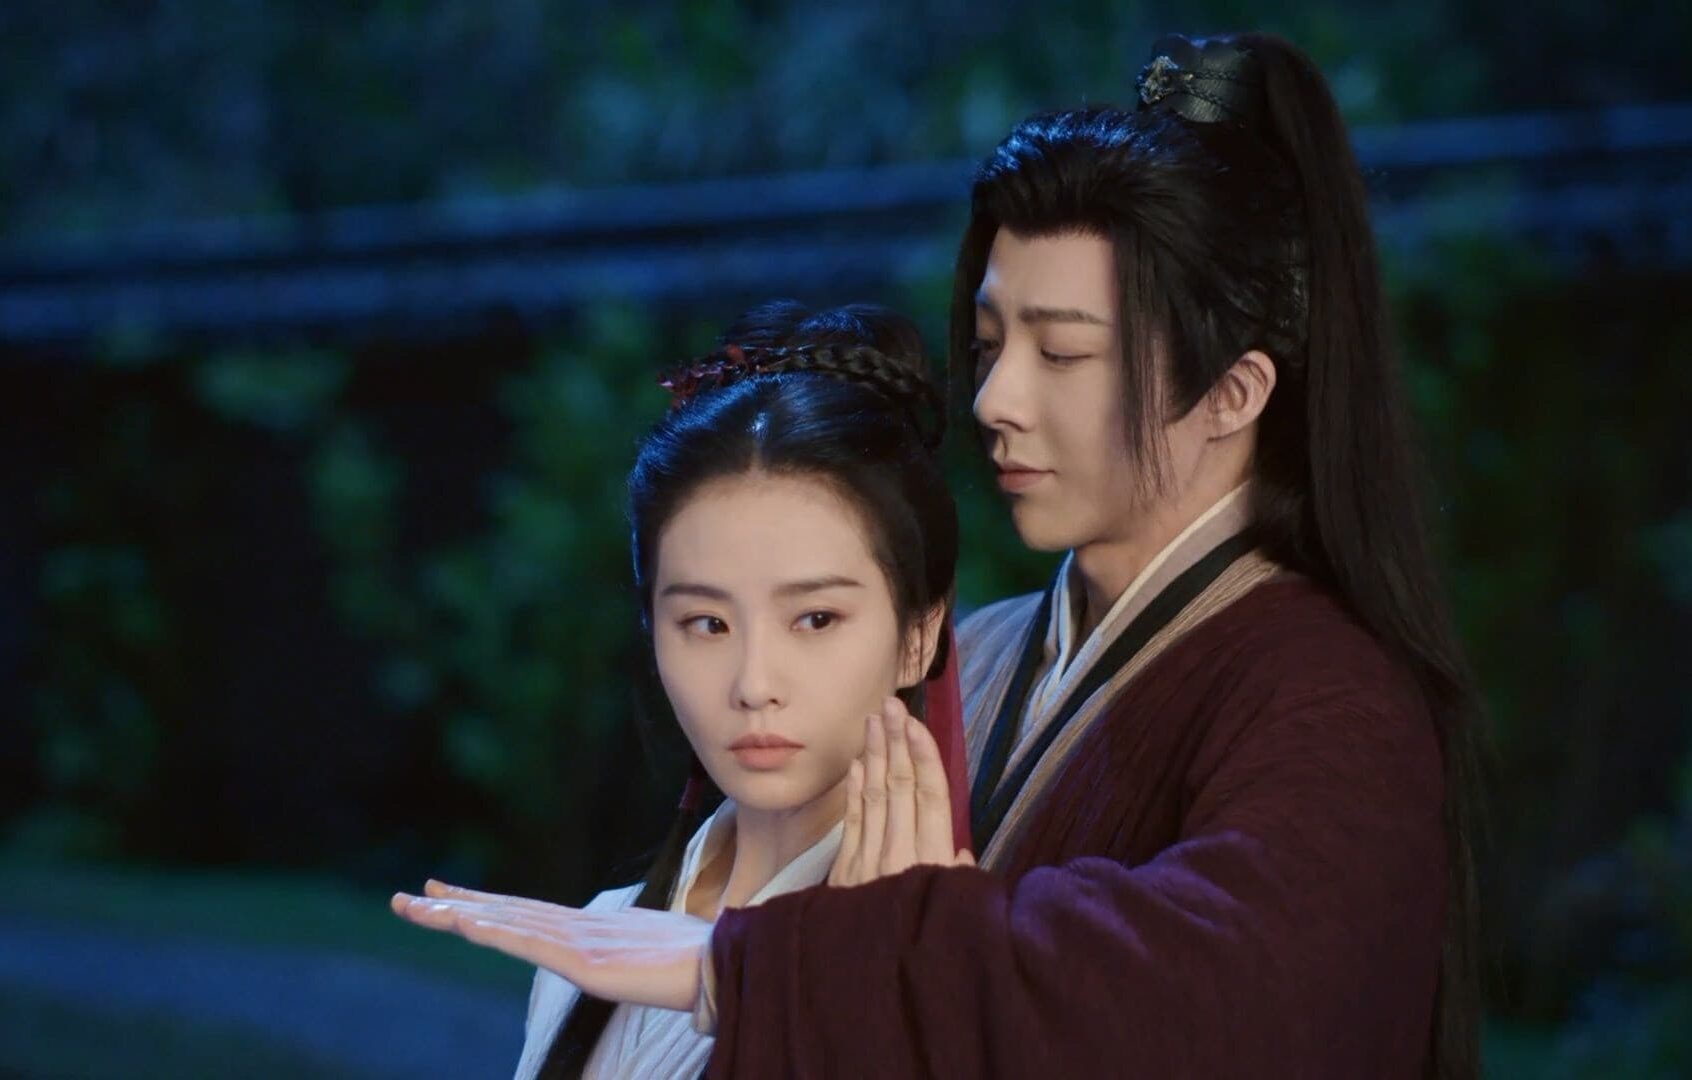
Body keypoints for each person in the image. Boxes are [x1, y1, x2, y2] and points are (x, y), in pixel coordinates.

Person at [398, 31, 1482, 1080]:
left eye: (1064, 352)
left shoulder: (1333, 700)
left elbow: (1237, 1005)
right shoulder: (987, 648)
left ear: (1233, 392)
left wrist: (781, 964)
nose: (997, 399)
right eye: (992, 342)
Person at [426, 300, 968, 1079]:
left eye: (815, 619)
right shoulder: (599, 936)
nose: (754, 684)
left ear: (918, 633)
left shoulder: (958, 951)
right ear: (652, 628)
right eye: (707, 624)